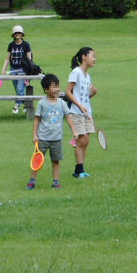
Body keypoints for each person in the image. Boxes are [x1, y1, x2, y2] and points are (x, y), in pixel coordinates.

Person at [28, 73, 74, 190]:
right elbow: (37, 119)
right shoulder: (42, 103)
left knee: (56, 161)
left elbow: (68, 117)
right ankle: (32, 181)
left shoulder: (61, 103)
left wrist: (74, 131)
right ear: (46, 89)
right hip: (43, 138)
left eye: (57, 86)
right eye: (53, 87)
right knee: (37, 160)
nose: (56, 89)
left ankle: (56, 182)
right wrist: (34, 135)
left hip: (56, 139)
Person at [66, 46, 98, 179]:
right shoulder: (76, 72)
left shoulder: (87, 76)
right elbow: (68, 92)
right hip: (75, 112)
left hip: (86, 112)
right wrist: (78, 105)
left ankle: (82, 169)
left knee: (86, 141)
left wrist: (93, 93)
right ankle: (78, 171)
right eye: (92, 56)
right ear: (84, 57)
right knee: (82, 140)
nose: (94, 59)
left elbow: (84, 96)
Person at [1, 25, 33, 114]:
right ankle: (26, 103)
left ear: (22, 34)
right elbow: (7, 58)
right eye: (16, 33)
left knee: (19, 89)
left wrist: (29, 71)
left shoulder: (26, 44)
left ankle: (16, 106)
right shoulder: (11, 45)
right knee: (18, 89)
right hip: (13, 69)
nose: (17, 34)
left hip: (23, 69)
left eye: (19, 33)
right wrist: (3, 69)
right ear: (13, 35)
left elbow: (29, 58)